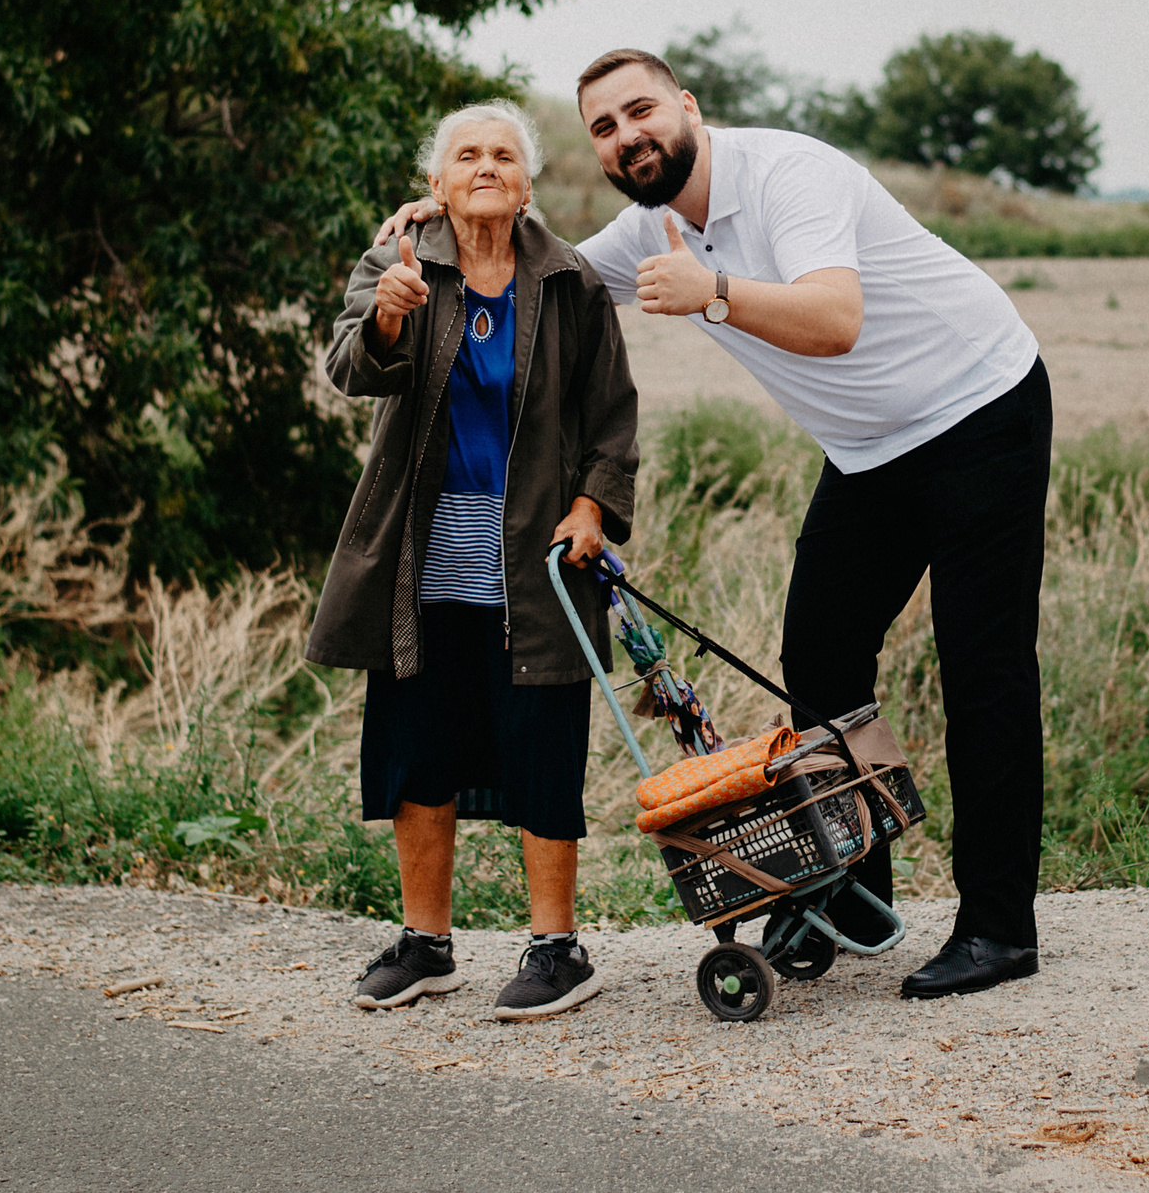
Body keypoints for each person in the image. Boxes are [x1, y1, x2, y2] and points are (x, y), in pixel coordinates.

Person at [381, 51, 1051, 999]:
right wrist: (455, 222)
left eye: (640, 111)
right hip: (869, 453)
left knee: (981, 664)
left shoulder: (789, 175)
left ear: (688, 107)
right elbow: (545, 279)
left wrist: (718, 294)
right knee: (819, 655)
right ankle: (851, 895)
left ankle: (997, 927)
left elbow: (837, 317)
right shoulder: (648, 226)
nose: (626, 136)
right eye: (604, 129)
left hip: (980, 408)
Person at [310, 101, 639, 1021]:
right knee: (420, 749)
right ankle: (426, 944)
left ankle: (556, 948)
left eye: (504, 154)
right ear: (436, 182)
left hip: (535, 562)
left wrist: (593, 506)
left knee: (542, 748)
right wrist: (384, 319)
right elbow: (348, 368)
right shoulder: (398, 262)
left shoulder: (569, 279)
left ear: (528, 183)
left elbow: (611, 412)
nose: (486, 166)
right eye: (467, 155)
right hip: (420, 562)